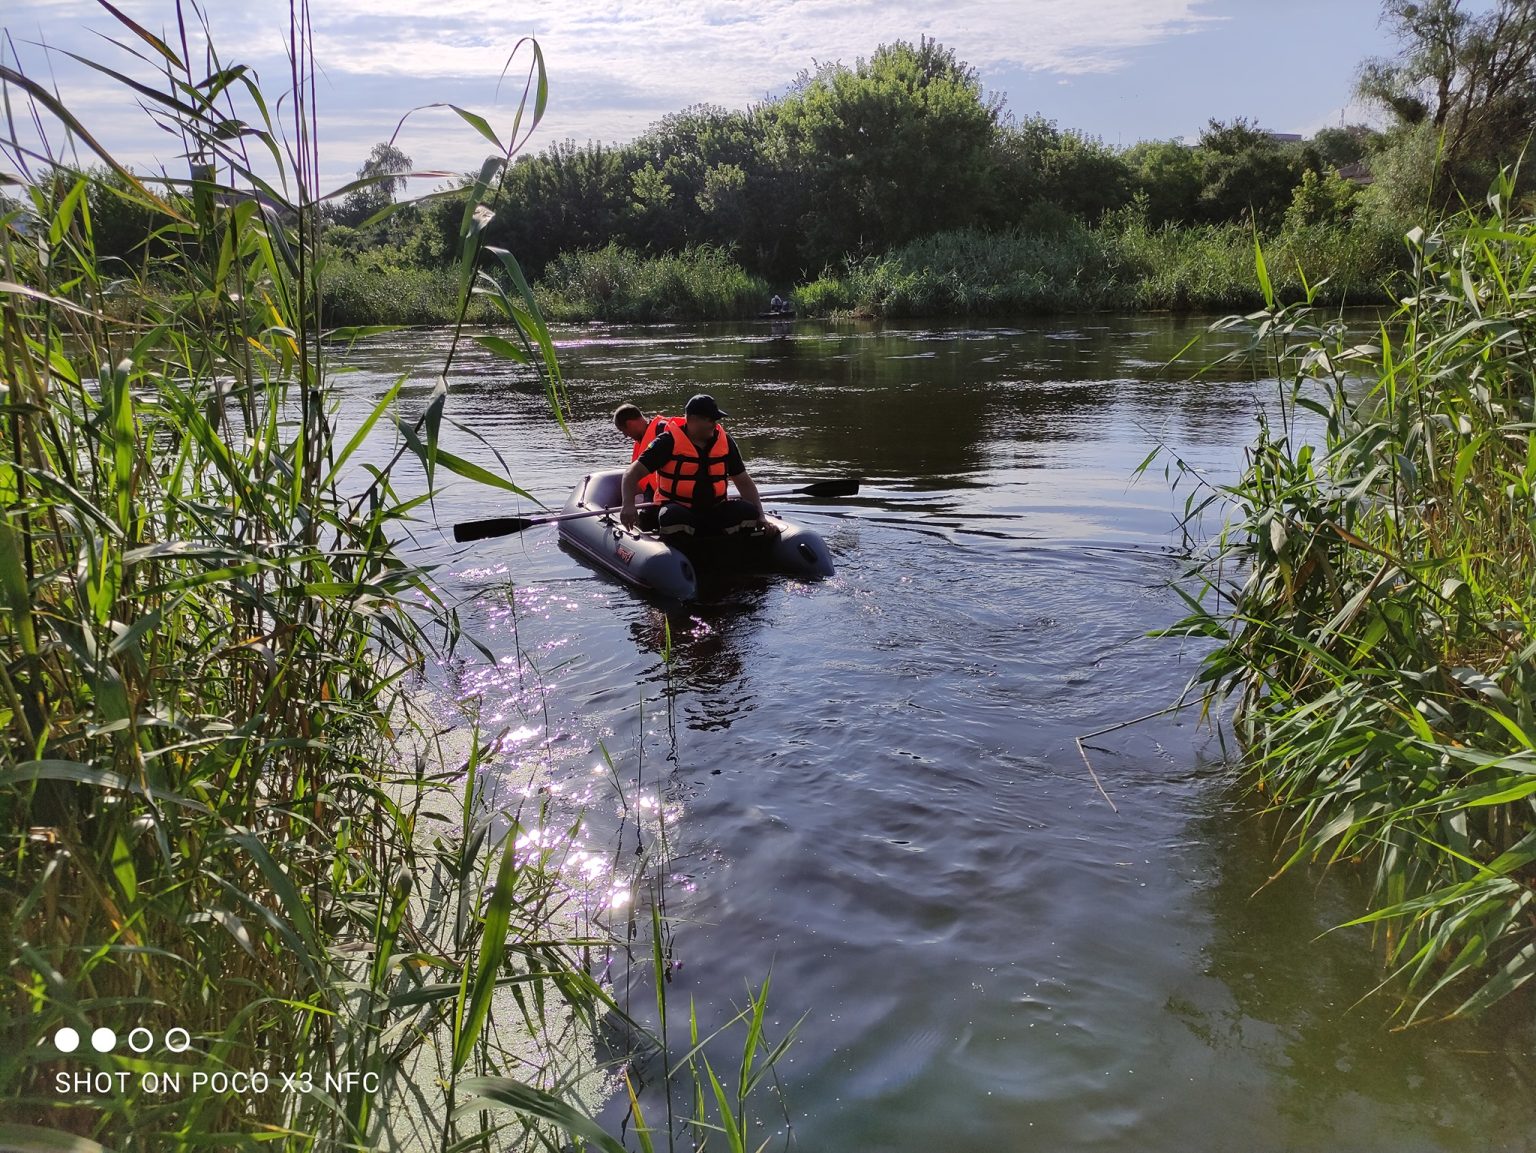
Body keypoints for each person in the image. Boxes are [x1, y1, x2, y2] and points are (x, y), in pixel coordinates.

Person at [620, 394, 771, 538]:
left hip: (715, 509)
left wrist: (761, 516)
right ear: (692, 419)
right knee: (671, 516)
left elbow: (743, 481)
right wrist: (628, 505)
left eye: (715, 420)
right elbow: (631, 473)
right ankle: (679, 557)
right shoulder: (667, 442)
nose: (714, 424)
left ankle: (736, 551)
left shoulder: (725, 442)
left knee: (749, 511)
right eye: (710, 420)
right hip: (681, 509)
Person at [612, 402, 667, 498]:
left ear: (629, 424)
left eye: (623, 430)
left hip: (668, 495)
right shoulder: (640, 442)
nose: (625, 435)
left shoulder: (662, 430)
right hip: (655, 493)